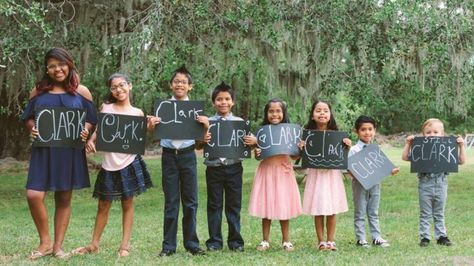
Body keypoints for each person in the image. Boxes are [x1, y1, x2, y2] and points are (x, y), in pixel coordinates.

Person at [21, 47, 97, 260]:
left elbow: (91, 118)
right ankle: (44, 241)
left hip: (69, 151)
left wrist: (86, 130)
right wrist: (32, 128)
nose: (57, 69)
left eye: (61, 64)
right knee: (34, 195)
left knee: (63, 198)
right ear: (47, 69)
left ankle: (57, 247)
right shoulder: (38, 91)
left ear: (69, 64)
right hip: (43, 151)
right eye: (52, 66)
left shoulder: (81, 91)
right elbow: (28, 117)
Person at [71, 73, 153, 257]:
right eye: (114, 87)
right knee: (103, 205)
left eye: (122, 85)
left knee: (128, 203)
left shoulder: (138, 113)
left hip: (130, 162)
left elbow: (140, 137)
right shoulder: (106, 108)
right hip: (109, 164)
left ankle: (124, 246)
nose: (119, 90)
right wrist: (91, 141)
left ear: (130, 86)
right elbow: (100, 131)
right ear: (111, 91)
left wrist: (150, 126)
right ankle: (94, 244)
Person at [149, 66, 208, 256]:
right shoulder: (163, 108)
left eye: (183, 82)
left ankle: (192, 244)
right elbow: (155, 137)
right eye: (176, 81)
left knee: (190, 202)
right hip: (168, 156)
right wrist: (151, 127)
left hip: (188, 155)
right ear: (170, 85)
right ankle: (168, 247)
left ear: (190, 86)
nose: (179, 84)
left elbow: (200, 143)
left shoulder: (196, 111)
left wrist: (205, 127)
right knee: (171, 202)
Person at [200, 82, 254, 252]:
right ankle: (215, 242)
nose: (223, 102)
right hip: (214, 168)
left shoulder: (240, 123)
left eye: (227, 99)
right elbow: (198, 145)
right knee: (214, 205)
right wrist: (202, 139)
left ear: (233, 102)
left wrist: (254, 142)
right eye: (219, 99)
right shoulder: (207, 122)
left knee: (233, 205)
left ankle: (235, 242)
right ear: (213, 102)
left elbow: (248, 144)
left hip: (234, 168)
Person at [248, 98, 302, 252]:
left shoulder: (290, 132)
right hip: (267, 171)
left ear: (283, 113)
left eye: (278, 111)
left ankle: (286, 240)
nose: (274, 114)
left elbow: (294, 156)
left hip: (283, 171)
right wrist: (256, 146)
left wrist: (300, 149)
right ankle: (265, 240)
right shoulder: (262, 132)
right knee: (267, 204)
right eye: (271, 111)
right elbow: (259, 156)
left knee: (283, 204)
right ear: (266, 113)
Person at [402, 118, 465, 247]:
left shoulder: (447, 148)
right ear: (423, 134)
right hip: (425, 184)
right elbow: (404, 157)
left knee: (439, 212)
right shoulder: (421, 148)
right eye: (428, 132)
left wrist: (461, 146)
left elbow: (462, 161)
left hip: (441, 184)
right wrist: (408, 144)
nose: (432, 135)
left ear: (442, 135)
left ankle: (441, 236)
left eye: (436, 132)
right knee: (425, 213)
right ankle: (425, 237)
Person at [301, 100, 351, 251]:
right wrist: (301, 147)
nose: (322, 113)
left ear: (330, 115)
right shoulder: (307, 136)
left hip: (332, 176)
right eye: (318, 110)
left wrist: (347, 146)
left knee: (332, 207)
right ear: (312, 115)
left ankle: (331, 240)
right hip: (316, 175)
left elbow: (342, 156)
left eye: (325, 110)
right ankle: (321, 241)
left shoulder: (337, 136)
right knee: (318, 208)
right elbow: (302, 156)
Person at [348, 115, 399, 248]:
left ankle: (376, 237)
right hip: (360, 184)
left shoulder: (375, 149)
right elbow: (349, 168)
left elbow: (382, 166)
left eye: (370, 129)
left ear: (374, 131)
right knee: (360, 211)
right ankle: (361, 238)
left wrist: (391, 170)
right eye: (363, 129)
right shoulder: (353, 150)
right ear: (357, 132)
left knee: (373, 211)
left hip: (375, 184)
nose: (367, 132)